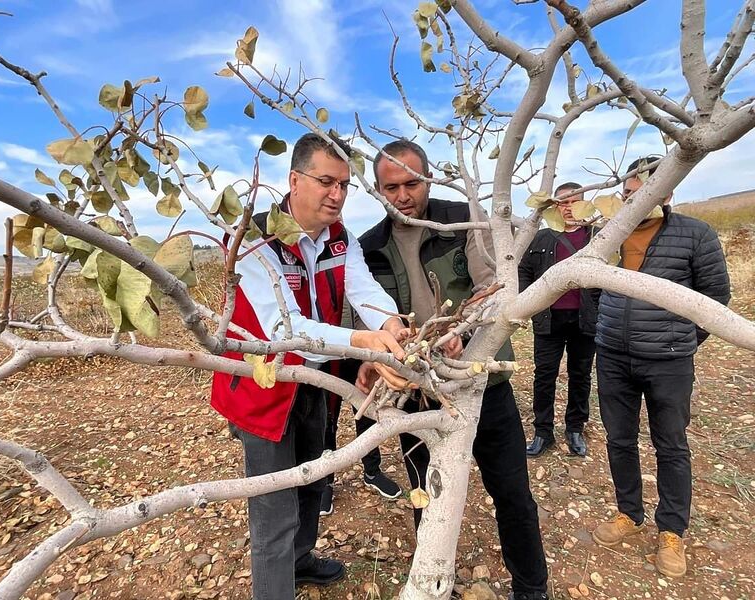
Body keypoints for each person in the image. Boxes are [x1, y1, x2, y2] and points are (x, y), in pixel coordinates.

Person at [209, 133, 409, 600]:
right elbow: (285, 327)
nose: (337, 195)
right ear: (294, 180)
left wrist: (392, 323)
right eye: (326, 182)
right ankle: (274, 588)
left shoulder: (340, 239)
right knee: (273, 507)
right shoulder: (253, 240)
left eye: (344, 185)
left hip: (314, 382)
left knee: (313, 481)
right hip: (263, 390)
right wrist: (363, 340)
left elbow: (364, 291)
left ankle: (300, 563)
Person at [352, 140, 549, 600]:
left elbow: (495, 288)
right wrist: (370, 363)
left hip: (483, 385)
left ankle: (532, 587)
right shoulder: (369, 247)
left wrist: (463, 328)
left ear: (428, 178)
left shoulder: (462, 221)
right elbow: (359, 317)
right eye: (391, 187)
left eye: (412, 183)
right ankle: (436, 581)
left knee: (513, 494)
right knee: (427, 495)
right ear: (379, 191)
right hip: (418, 395)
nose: (403, 195)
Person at [591, 156, 731, 579]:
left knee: (670, 445)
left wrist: (682, 339)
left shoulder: (695, 234)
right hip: (613, 356)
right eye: (629, 195)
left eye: (646, 194)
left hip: (668, 361)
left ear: (667, 193)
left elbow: (714, 298)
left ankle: (672, 529)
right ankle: (628, 512)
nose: (635, 202)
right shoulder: (608, 235)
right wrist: (605, 328)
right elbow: (593, 287)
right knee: (619, 439)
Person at [518, 182, 600, 458]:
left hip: (585, 318)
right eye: (563, 202)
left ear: (584, 203)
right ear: (555, 205)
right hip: (548, 319)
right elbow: (523, 272)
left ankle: (575, 428)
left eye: (574, 201)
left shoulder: (597, 237)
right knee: (544, 376)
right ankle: (543, 432)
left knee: (580, 375)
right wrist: (528, 302)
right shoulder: (541, 238)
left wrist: (600, 306)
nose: (568, 208)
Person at [320, 354, 402, 517]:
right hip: (327, 356)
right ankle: (325, 481)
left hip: (359, 353)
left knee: (366, 412)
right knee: (327, 416)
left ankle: (372, 472)